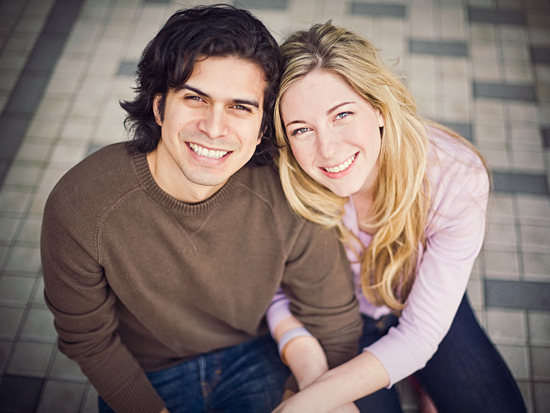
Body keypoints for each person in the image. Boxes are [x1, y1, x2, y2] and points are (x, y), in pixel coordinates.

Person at [40, 8, 363, 413]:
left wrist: (307, 398)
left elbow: (334, 321)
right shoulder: (82, 205)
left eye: (240, 107)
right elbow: (87, 338)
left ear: (263, 125)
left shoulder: (287, 193)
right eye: (195, 98)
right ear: (159, 107)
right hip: (146, 371)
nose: (214, 127)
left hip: (260, 356)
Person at [267, 22, 527, 413]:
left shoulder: (454, 176)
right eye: (302, 129)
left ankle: (421, 377)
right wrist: (312, 377)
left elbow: (422, 333)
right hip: (334, 326)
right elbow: (274, 289)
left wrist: (307, 402)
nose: (328, 148)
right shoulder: (282, 177)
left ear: (379, 109)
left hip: (415, 300)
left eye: (342, 115)